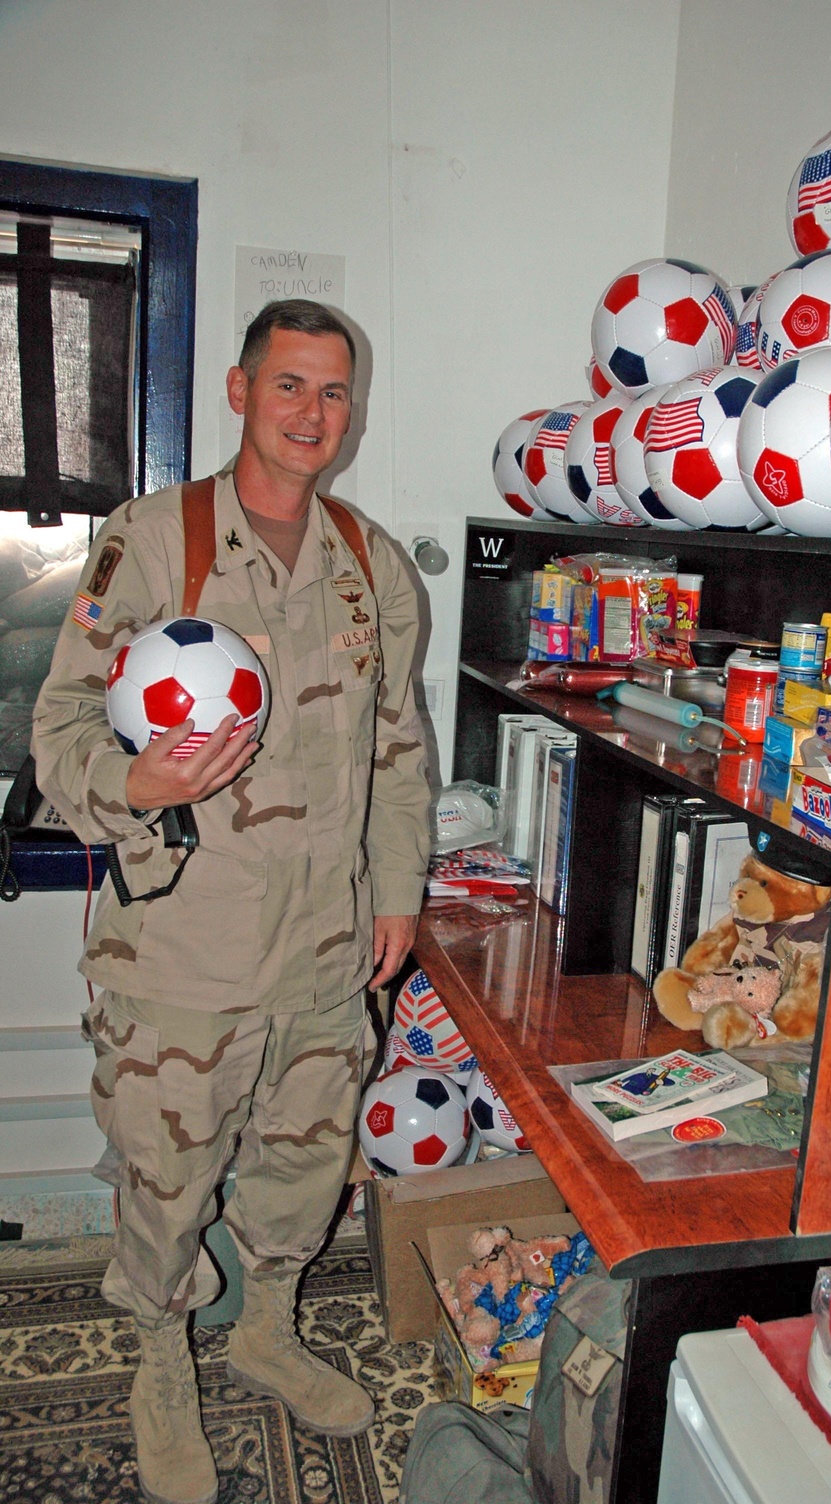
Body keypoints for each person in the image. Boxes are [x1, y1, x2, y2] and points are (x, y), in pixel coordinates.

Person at [31, 299, 431, 1504]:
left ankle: (265, 1326)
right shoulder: (153, 541)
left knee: (302, 1163)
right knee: (166, 1177)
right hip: (184, 948)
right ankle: (163, 1357)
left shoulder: (373, 564)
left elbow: (398, 751)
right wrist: (132, 778)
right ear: (240, 390)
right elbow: (56, 732)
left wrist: (398, 895)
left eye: (335, 392)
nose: (314, 414)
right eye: (291, 386)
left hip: (326, 942)